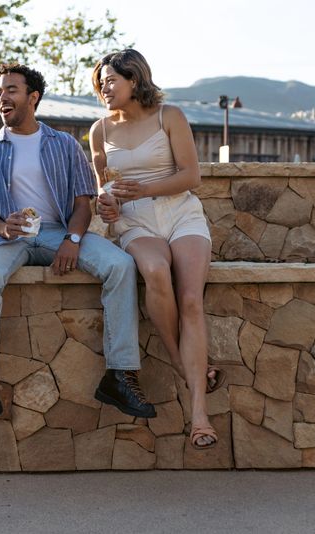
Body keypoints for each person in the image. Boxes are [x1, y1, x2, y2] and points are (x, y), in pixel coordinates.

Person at [0, 63, 156, 431]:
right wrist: (3, 227)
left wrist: (73, 239)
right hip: (7, 238)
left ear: (32, 97)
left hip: (58, 233)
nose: (3, 97)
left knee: (120, 265)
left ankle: (121, 376)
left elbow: (84, 203)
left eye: (11, 90)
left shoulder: (63, 144)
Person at [90, 49, 223, 449]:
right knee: (154, 272)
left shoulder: (170, 116)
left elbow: (191, 175)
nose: (105, 87)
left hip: (180, 213)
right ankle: (188, 366)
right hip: (136, 221)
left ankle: (199, 415)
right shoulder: (99, 130)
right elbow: (103, 186)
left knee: (191, 301)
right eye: (101, 81)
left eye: (112, 79)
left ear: (135, 79)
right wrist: (107, 202)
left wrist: (145, 188)